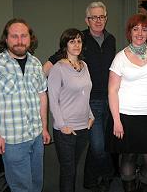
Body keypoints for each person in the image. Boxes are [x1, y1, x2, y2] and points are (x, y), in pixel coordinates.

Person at [43, 1, 116, 192]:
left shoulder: (109, 41)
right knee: (95, 150)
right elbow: (53, 66)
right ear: (87, 20)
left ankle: (90, 180)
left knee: (98, 146)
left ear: (106, 18)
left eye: (102, 17)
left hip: (105, 102)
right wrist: (37, 80)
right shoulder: (77, 41)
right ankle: (107, 174)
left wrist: (91, 114)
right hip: (82, 108)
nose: (98, 20)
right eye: (94, 17)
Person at [0, 18, 51, 192]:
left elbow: (42, 95)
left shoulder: (35, 63)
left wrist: (44, 128)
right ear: (6, 39)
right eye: (14, 36)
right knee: (21, 187)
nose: (19, 41)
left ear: (30, 38)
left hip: (35, 136)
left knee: (36, 183)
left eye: (24, 36)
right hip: (12, 140)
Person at [106, 14, 147, 192]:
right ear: (129, 32)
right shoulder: (120, 58)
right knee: (129, 156)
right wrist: (116, 120)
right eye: (136, 29)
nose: (140, 33)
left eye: (144, 29)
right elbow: (112, 91)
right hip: (126, 114)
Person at [48, 28, 94, 192]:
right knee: (68, 171)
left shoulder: (85, 65)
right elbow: (52, 99)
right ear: (65, 45)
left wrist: (90, 115)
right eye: (72, 41)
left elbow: (85, 94)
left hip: (83, 127)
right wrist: (62, 125)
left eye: (79, 41)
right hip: (66, 129)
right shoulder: (58, 68)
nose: (76, 45)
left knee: (74, 167)